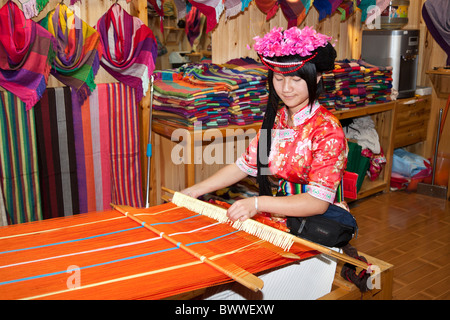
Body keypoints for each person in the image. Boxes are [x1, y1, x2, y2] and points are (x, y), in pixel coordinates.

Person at [179, 26, 351, 300]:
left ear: (317, 77)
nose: (286, 88)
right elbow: (245, 166)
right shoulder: (278, 120)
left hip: (315, 231)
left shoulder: (327, 130)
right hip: (280, 221)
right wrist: (195, 190)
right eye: (279, 78)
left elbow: (317, 202)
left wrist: (256, 204)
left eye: (296, 79)